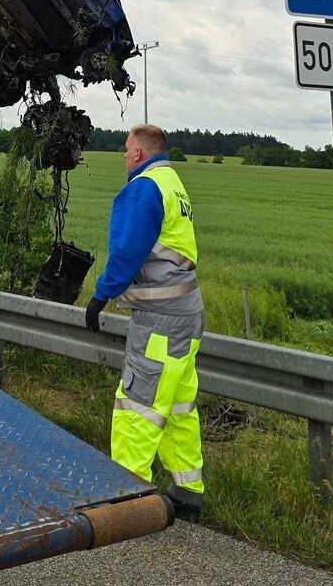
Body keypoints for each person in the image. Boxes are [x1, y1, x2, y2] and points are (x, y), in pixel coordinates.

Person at [83, 123, 205, 520]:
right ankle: (188, 494)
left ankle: (128, 502)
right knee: (178, 406)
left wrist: (101, 295)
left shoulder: (144, 187)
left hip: (159, 320)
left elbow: (127, 250)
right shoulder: (173, 182)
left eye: (125, 149)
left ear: (138, 152)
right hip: (186, 314)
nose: (123, 156)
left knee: (137, 407)